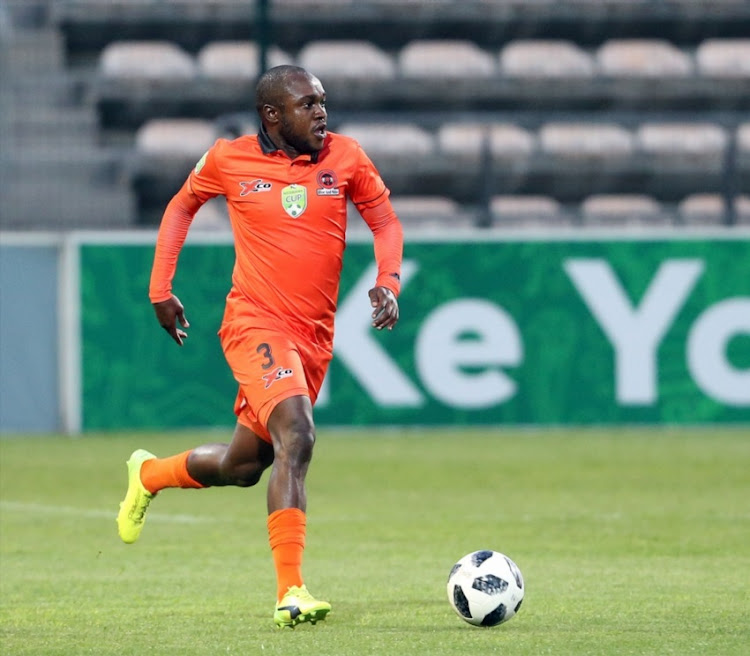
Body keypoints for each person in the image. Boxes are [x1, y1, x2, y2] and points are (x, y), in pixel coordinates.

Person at [116, 65, 403, 629]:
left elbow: (385, 221)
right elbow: (180, 206)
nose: (322, 112)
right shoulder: (227, 158)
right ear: (272, 115)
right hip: (255, 323)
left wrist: (387, 281)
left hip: (313, 337)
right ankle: (290, 590)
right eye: (307, 104)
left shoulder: (345, 158)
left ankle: (148, 475)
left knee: (244, 465)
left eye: (323, 101)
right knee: (298, 434)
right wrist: (160, 288)